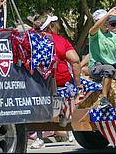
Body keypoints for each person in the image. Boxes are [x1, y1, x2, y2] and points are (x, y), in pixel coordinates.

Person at [30, 14, 83, 149]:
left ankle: (39, 138)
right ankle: (66, 122)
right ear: (50, 27)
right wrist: (78, 84)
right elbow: (76, 60)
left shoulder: (31, 40)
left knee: (40, 106)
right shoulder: (60, 40)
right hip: (62, 82)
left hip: (40, 84)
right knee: (73, 93)